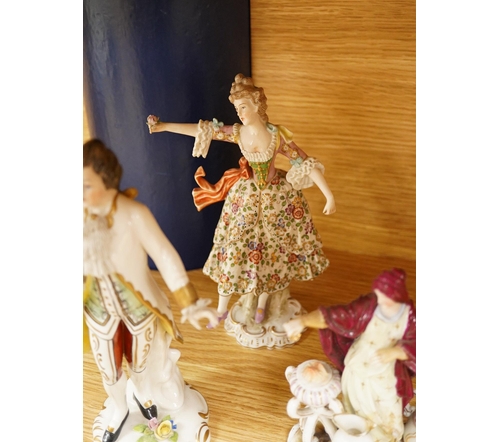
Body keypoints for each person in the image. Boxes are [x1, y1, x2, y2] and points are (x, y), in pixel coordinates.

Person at [147, 73, 336, 327]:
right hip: (246, 197)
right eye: (237, 109)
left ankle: (263, 302)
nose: (240, 113)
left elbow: (303, 161)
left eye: (244, 107)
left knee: (273, 250)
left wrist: (328, 195)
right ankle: (225, 306)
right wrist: (164, 126)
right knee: (237, 245)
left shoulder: (276, 137)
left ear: (257, 105)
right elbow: (204, 130)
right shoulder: (238, 133)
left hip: (277, 199)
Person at [83, 139, 218, 442]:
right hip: (99, 312)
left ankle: (145, 399)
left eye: (85, 186)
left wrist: (190, 303)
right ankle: (119, 409)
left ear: (107, 179)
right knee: (109, 371)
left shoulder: (134, 214)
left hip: (138, 309)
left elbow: (165, 256)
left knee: (141, 364)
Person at [283, 268, 416, 442]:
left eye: (386, 298)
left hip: (387, 372)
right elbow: (337, 315)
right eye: (379, 296)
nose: (381, 302)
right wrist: (303, 321)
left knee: (388, 404)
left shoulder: (410, 317)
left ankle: (387, 438)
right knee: (356, 401)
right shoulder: (370, 306)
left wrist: (395, 352)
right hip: (359, 364)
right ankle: (358, 433)